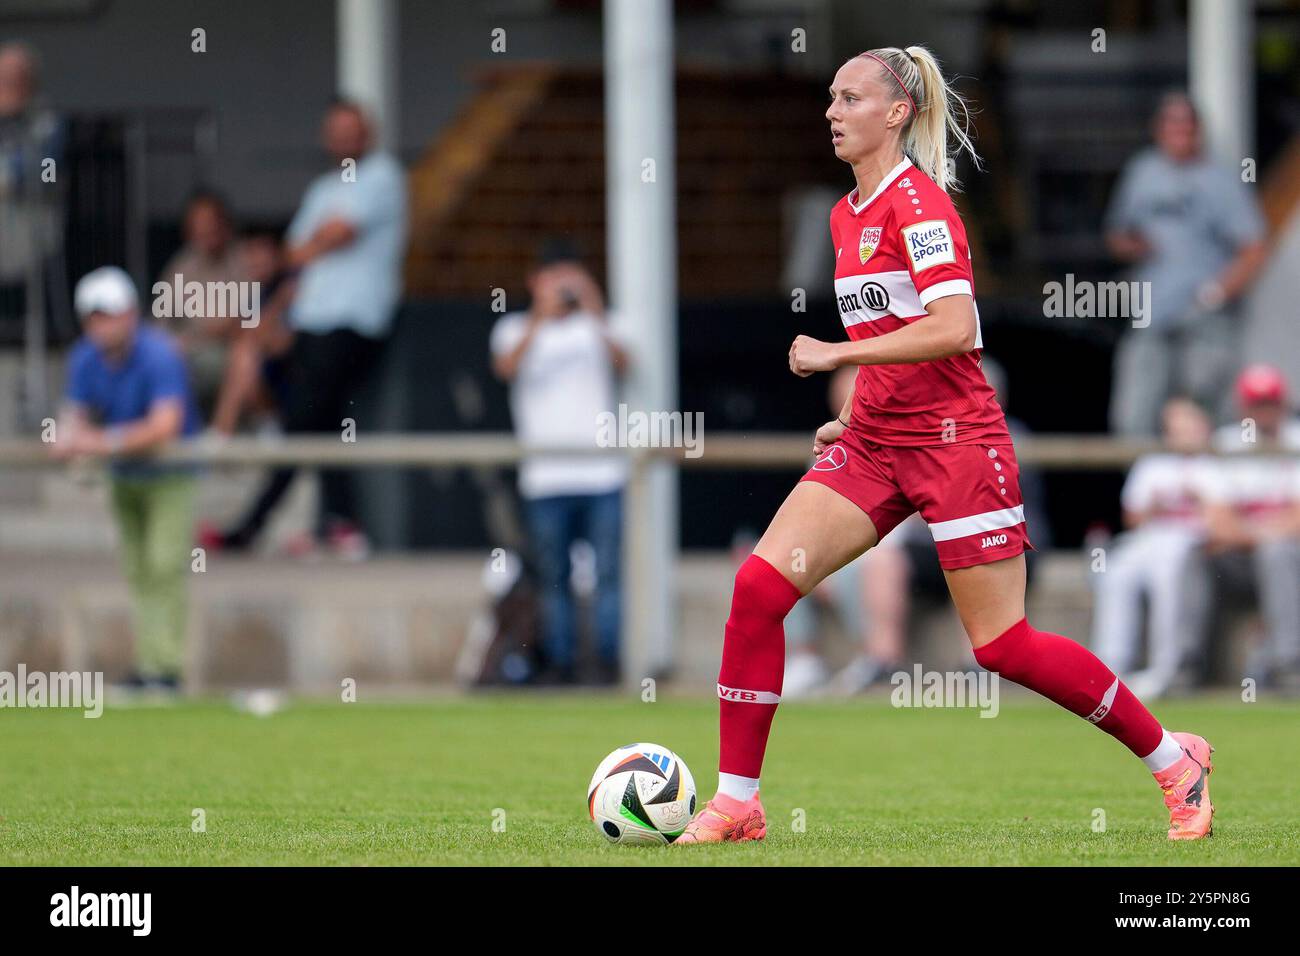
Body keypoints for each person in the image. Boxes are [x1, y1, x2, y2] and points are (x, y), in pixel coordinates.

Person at [677, 47, 1214, 845]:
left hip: (959, 446)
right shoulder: (843, 213)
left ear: (895, 113)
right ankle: (737, 801)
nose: (831, 111)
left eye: (849, 98)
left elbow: (955, 328)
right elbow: (891, 331)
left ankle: (1176, 760)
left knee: (1003, 646)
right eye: (829, 97)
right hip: (876, 442)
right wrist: (856, 409)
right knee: (758, 589)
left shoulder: (919, 206)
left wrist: (837, 356)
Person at [214, 100, 407, 556]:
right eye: (335, 131)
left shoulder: (383, 176)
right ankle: (339, 527)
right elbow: (295, 260)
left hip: (353, 322)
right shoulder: (322, 188)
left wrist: (309, 247)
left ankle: (253, 526)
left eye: (351, 130)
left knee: (305, 419)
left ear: (368, 134)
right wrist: (272, 315)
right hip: (309, 322)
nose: (343, 139)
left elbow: (333, 236)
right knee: (316, 420)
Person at [52, 267, 203, 690]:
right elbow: (74, 412)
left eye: (112, 314)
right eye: (96, 316)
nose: (105, 324)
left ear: (131, 314)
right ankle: (149, 664)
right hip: (126, 476)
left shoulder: (159, 354)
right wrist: (67, 438)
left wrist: (98, 442)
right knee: (138, 568)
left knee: (164, 565)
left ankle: (166, 669)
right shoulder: (84, 356)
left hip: (170, 475)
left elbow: (165, 425)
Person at [490, 251, 629, 685]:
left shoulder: (600, 324)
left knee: (609, 575)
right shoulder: (513, 327)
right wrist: (539, 317)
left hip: (603, 475)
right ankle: (561, 664)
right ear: (534, 281)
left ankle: (607, 666)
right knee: (555, 578)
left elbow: (625, 363)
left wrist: (594, 308)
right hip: (545, 478)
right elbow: (506, 368)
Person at [1104, 92, 1267, 437]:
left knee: (1207, 414)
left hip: (1205, 319)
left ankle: (1209, 490)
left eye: (1185, 124)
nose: (1178, 132)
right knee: (1134, 416)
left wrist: (1217, 292)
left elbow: (1253, 248)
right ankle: (1144, 489)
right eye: (1171, 124)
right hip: (1153, 313)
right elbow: (1116, 236)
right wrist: (1136, 245)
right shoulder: (1143, 172)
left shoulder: (1220, 179)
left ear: (1198, 130)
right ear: (1159, 129)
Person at [1091, 398, 1216, 699]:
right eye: (1176, 427)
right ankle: (1109, 668)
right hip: (1150, 538)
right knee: (1115, 571)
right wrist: (1157, 506)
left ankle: (1166, 669)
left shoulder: (1214, 462)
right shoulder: (1153, 462)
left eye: (1189, 425)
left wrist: (1194, 498)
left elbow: (1219, 519)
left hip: (1191, 542)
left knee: (1170, 578)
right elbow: (1132, 517)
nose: (1182, 433)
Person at [1203, 365, 1300, 689]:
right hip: (1237, 560)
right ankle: (1189, 669)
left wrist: (1252, 531)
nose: (1264, 411)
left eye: (1270, 402)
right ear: (1243, 406)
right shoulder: (1226, 442)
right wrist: (1265, 532)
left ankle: (1287, 664)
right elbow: (1216, 521)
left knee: (1278, 554)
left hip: (1289, 556)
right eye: (1257, 403)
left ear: (1283, 403)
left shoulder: (1297, 437)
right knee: (1185, 554)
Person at [156, 190, 249, 421]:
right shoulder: (182, 265)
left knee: (241, 359)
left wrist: (190, 339)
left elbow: (238, 321)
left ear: (225, 225)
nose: (205, 230)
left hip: (231, 351)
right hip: (187, 353)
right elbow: (159, 324)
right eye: (198, 224)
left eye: (211, 222)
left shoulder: (243, 260)